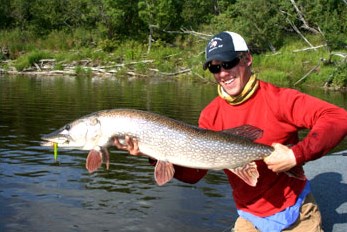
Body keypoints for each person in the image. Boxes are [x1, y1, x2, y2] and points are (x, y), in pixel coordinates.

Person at [114, 31, 347, 232]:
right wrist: (152, 152)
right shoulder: (211, 114)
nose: (223, 73)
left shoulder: (279, 99)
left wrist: (295, 155)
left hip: (296, 212)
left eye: (228, 63)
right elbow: (195, 174)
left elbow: (338, 118)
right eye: (215, 67)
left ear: (247, 59)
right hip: (249, 217)